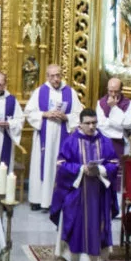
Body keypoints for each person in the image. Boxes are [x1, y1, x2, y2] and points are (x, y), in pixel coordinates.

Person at [49, 109, 118, 261]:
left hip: (99, 193)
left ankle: (100, 258)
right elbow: (61, 164)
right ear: (80, 123)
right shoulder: (71, 141)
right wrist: (81, 169)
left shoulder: (105, 141)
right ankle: (70, 258)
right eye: (87, 123)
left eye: (94, 123)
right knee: (73, 222)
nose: (91, 126)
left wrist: (100, 170)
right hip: (77, 192)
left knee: (100, 223)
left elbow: (114, 163)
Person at [25, 65, 81, 210]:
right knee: (42, 165)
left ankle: (59, 200)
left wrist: (66, 117)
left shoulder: (70, 92)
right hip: (44, 137)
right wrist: (44, 114)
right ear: (47, 76)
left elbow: (78, 114)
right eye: (52, 76)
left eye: (58, 75)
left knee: (60, 165)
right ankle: (38, 199)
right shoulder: (40, 92)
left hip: (63, 135)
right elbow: (29, 112)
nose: (56, 79)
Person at [96, 77, 131, 208]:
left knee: (121, 175)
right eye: (110, 91)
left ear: (121, 90)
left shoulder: (128, 104)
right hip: (105, 144)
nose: (113, 94)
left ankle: (118, 208)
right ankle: (104, 205)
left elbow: (129, 123)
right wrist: (120, 127)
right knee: (105, 172)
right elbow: (101, 125)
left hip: (123, 145)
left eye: (116, 91)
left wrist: (114, 108)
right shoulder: (101, 103)